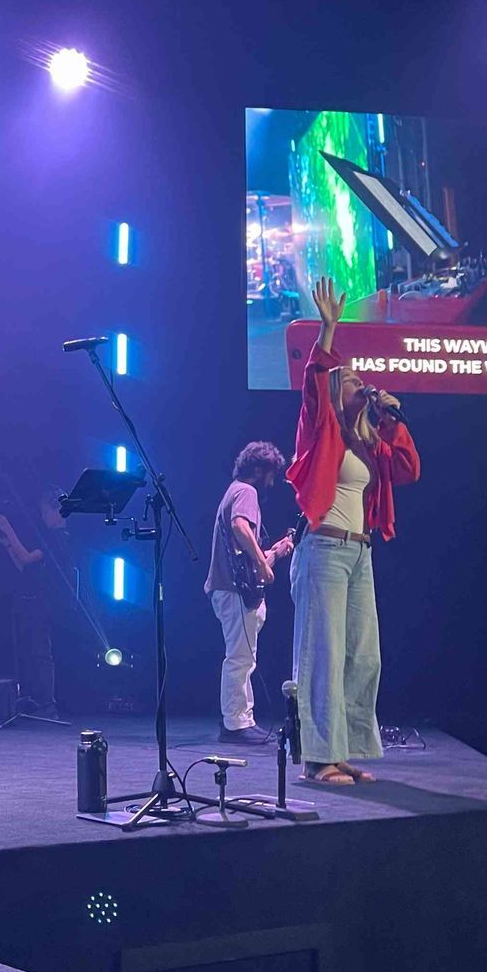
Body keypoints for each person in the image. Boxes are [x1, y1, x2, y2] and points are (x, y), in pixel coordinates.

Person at [285, 276, 421, 786]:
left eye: (362, 379)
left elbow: (409, 469)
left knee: (362, 655)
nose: (360, 384)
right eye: (352, 381)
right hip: (323, 550)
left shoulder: (369, 442)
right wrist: (328, 327)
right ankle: (318, 759)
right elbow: (315, 379)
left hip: (359, 553)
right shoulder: (321, 429)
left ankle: (343, 751)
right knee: (322, 654)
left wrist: (391, 420)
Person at [205, 441, 295, 746]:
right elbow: (241, 527)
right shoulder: (246, 491)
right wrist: (261, 561)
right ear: (259, 470)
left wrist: (274, 553)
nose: (274, 481)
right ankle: (235, 724)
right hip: (233, 590)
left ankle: (243, 719)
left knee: (244, 656)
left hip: (231, 588)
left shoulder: (235, 491)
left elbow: (243, 550)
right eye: (271, 474)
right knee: (240, 658)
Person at [0, 490, 70, 721]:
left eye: (45, 512)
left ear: (57, 511)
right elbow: (25, 568)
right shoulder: (50, 537)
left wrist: (9, 530)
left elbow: (27, 558)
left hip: (46, 601)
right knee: (30, 653)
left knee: (41, 655)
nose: (43, 516)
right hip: (32, 599)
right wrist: (8, 545)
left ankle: (48, 704)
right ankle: (35, 700)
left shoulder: (57, 537)